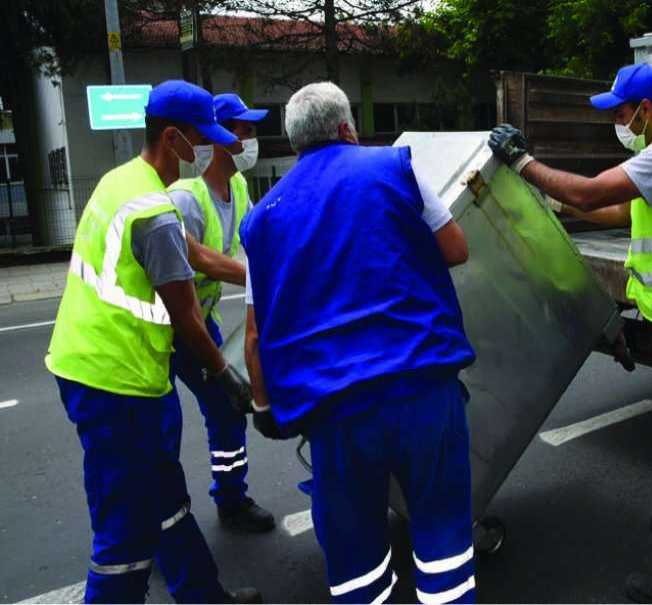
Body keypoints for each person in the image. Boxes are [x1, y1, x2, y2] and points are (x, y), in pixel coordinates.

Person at [488, 63, 652, 603]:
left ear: (645, 110)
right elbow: (622, 209)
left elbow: (590, 194)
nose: (618, 120)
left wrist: (523, 163)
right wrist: (551, 201)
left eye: (622, 112)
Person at [241, 81, 477, 604]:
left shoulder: (261, 220)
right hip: (422, 389)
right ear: (347, 127)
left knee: (356, 568)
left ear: (293, 143)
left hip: (335, 411)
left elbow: (255, 336)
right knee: (443, 545)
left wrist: (264, 406)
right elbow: (456, 250)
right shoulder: (395, 168)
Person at [45, 80, 260, 604]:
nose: (210, 147)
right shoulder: (157, 215)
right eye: (200, 137)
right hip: (114, 380)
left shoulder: (123, 182)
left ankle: (204, 595)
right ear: (172, 138)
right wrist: (226, 377)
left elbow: (196, 257)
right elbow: (186, 315)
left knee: (164, 495)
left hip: (94, 365)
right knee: (126, 529)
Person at [166, 92, 275, 533]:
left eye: (251, 130)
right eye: (240, 129)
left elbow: (255, 242)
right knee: (159, 432)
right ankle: (158, 523)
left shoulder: (239, 187)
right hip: (159, 328)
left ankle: (232, 499)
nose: (248, 139)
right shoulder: (185, 198)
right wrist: (263, 280)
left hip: (198, 319)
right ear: (215, 135)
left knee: (230, 407)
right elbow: (203, 260)